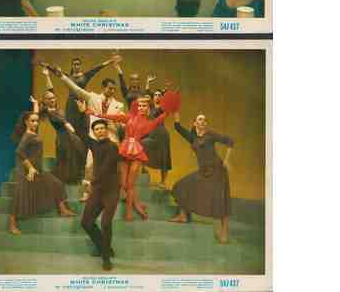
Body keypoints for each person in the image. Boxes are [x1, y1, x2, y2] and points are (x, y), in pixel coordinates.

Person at [86, 97, 179, 222]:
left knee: (130, 184)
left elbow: (162, 117)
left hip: (137, 152)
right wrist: (95, 114)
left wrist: (170, 109)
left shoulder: (150, 123)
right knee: (124, 184)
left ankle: (129, 211)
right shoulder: (130, 117)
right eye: (140, 105)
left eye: (144, 106)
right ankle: (137, 204)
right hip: (124, 150)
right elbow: (112, 117)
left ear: (148, 108)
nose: (141, 108)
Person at [52, 69, 125, 201]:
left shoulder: (118, 105)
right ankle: (87, 192)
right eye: (110, 88)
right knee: (89, 166)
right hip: (94, 138)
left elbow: (121, 121)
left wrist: (121, 124)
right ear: (103, 87)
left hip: (111, 139)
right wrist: (62, 76)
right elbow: (76, 89)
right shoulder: (92, 97)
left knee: (113, 168)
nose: (112, 91)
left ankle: (115, 193)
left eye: (114, 89)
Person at [8, 97, 77, 235]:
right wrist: (30, 168)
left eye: (36, 120)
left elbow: (35, 115)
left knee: (57, 184)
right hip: (28, 171)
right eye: (32, 121)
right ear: (26, 122)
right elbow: (19, 152)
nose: (35, 122)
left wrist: (35, 104)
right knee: (21, 196)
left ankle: (62, 209)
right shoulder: (27, 135)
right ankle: (12, 224)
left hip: (38, 169)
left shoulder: (33, 131)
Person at [169, 113, 235, 244]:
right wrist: (176, 119)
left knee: (220, 201)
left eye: (205, 120)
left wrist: (226, 161)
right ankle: (183, 215)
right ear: (194, 123)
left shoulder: (210, 134)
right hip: (203, 171)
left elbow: (230, 141)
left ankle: (224, 231)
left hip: (217, 171)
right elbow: (179, 129)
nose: (203, 121)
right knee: (181, 186)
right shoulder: (193, 138)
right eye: (200, 119)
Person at [72, 116, 121, 271]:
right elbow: (80, 134)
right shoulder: (94, 144)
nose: (99, 131)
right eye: (96, 129)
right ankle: (105, 248)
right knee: (86, 222)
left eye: (102, 128)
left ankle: (106, 258)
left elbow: (105, 168)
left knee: (106, 223)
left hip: (111, 190)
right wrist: (81, 114)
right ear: (94, 132)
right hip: (98, 190)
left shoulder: (113, 147)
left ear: (106, 130)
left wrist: (89, 183)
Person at [141, 88, 173, 189]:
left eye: (159, 95)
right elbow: (145, 97)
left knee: (164, 157)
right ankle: (143, 168)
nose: (157, 97)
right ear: (153, 97)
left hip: (161, 134)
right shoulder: (149, 107)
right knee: (141, 144)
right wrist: (147, 85)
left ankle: (163, 181)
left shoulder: (163, 107)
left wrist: (167, 94)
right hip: (151, 133)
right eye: (156, 95)